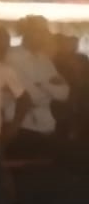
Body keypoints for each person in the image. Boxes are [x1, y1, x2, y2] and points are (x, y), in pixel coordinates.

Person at [7, 16, 70, 159]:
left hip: (46, 125)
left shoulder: (44, 59)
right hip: (20, 125)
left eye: (45, 32)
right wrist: (50, 87)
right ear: (28, 32)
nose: (44, 36)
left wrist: (42, 85)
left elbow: (64, 93)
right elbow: (31, 95)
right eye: (40, 32)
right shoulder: (12, 56)